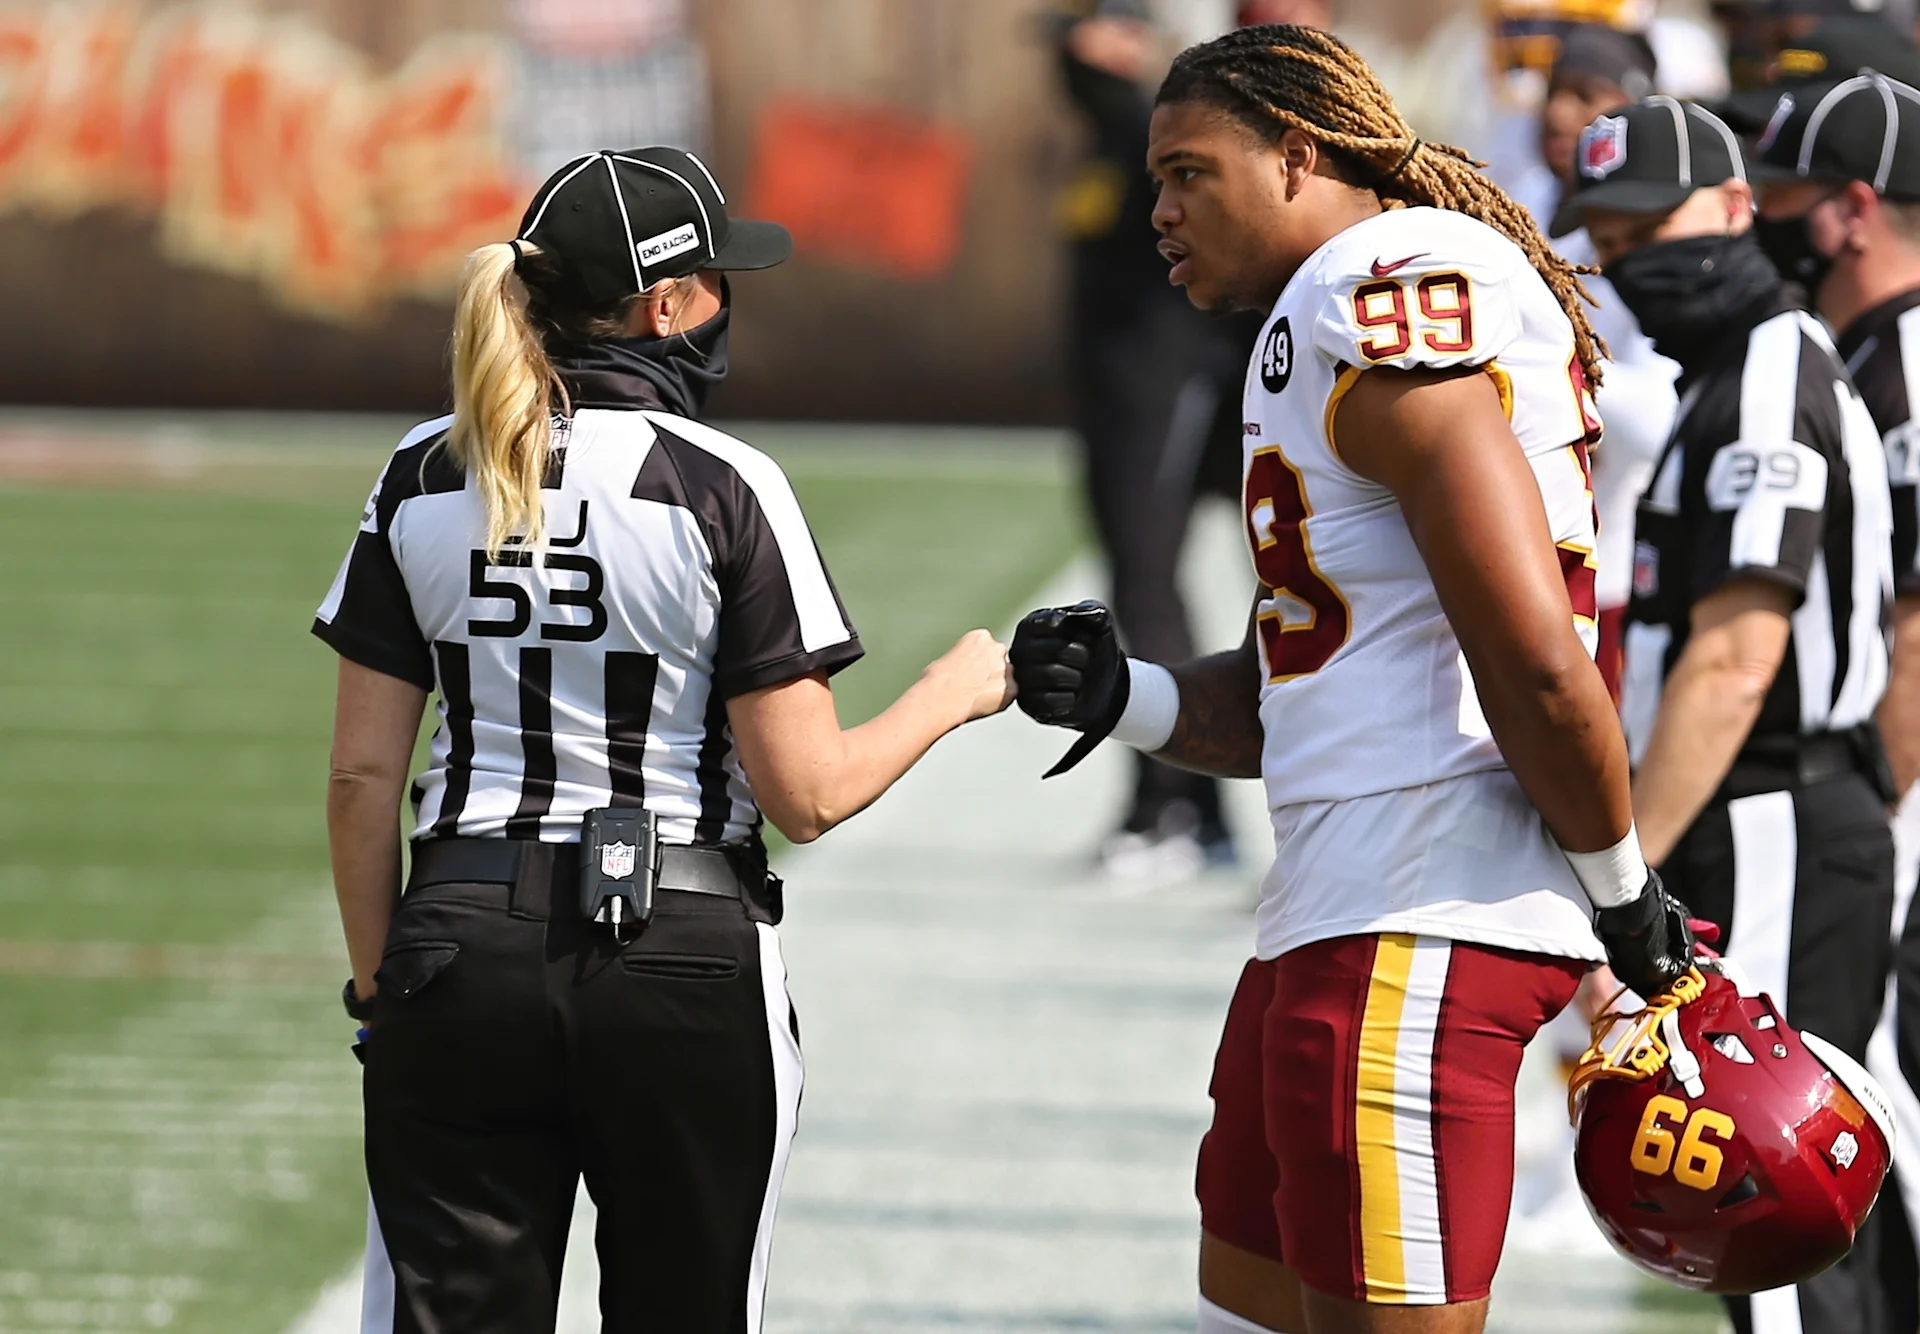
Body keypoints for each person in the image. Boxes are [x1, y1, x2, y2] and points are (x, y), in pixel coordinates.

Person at [1012, 24, 1695, 1334]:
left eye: (1189, 172)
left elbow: (1535, 658)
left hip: (1422, 917)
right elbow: (1301, 689)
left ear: (1296, 153)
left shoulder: (1381, 284)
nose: (1159, 210)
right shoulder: (1312, 313)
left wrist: (1625, 896)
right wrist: (1122, 699)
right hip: (1329, 916)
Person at [314, 147, 1015, 1333]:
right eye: (717, 279)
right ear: (667, 303)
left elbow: (359, 775)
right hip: (676, 948)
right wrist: (955, 690)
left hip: (457, 945)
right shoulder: (723, 480)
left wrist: (386, 989)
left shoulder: (423, 467)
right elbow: (809, 791)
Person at [1555, 95, 1897, 1334]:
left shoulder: (1766, 372)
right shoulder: (1726, 375)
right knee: (1771, 1201)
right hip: (1754, 810)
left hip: (1773, 808)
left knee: (1767, 1190)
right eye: (1609, 237)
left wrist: (1620, 880)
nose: (1635, 260)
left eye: (1656, 224)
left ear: (1739, 206)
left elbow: (1738, 660)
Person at [1752, 71, 1920, 1332]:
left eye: (1785, 194)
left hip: (1891, 800)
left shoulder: (1905, 354)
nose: (1759, 217)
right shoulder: (1855, 348)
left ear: (1853, 208)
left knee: (1856, 1113)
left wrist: (1877, 818)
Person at [1051, 0, 1245, 877]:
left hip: (1166, 386)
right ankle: (1190, 808)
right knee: (1141, 588)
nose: (1067, 52)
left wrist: (1210, 368)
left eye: (1085, 30)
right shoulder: (1106, 134)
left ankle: (1173, 806)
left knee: (1147, 588)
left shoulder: (1149, 132)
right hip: (1120, 396)